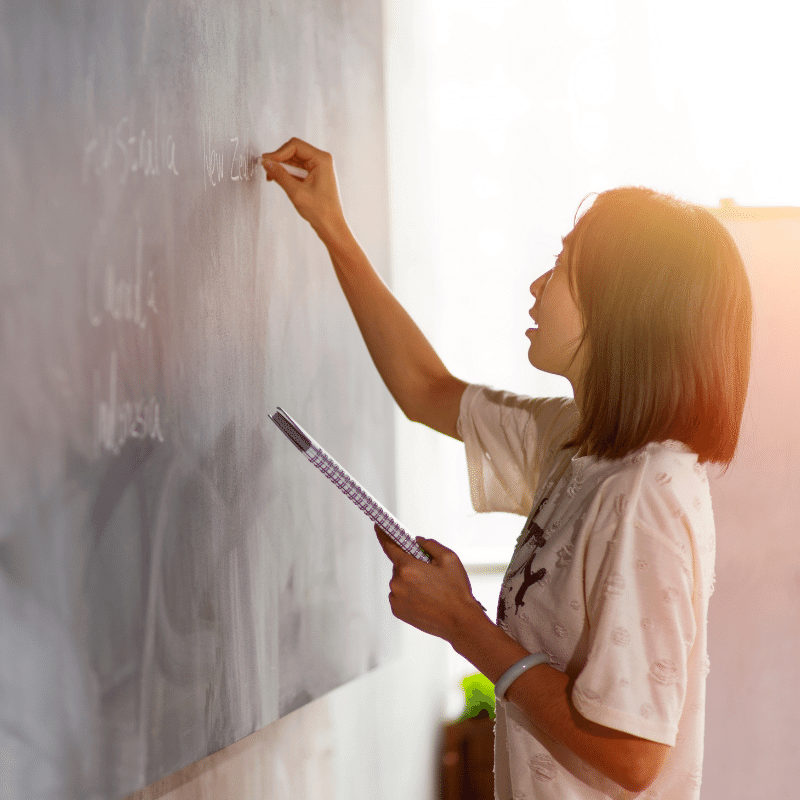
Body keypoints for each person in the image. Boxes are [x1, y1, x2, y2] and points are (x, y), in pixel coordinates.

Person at [260, 138, 752, 799]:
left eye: (563, 265)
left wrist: (462, 622)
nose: (538, 285)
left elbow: (633, 757)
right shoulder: (579, 444)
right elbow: (424, 388)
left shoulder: (648, 489)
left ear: (620, 307)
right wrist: (331, 227)